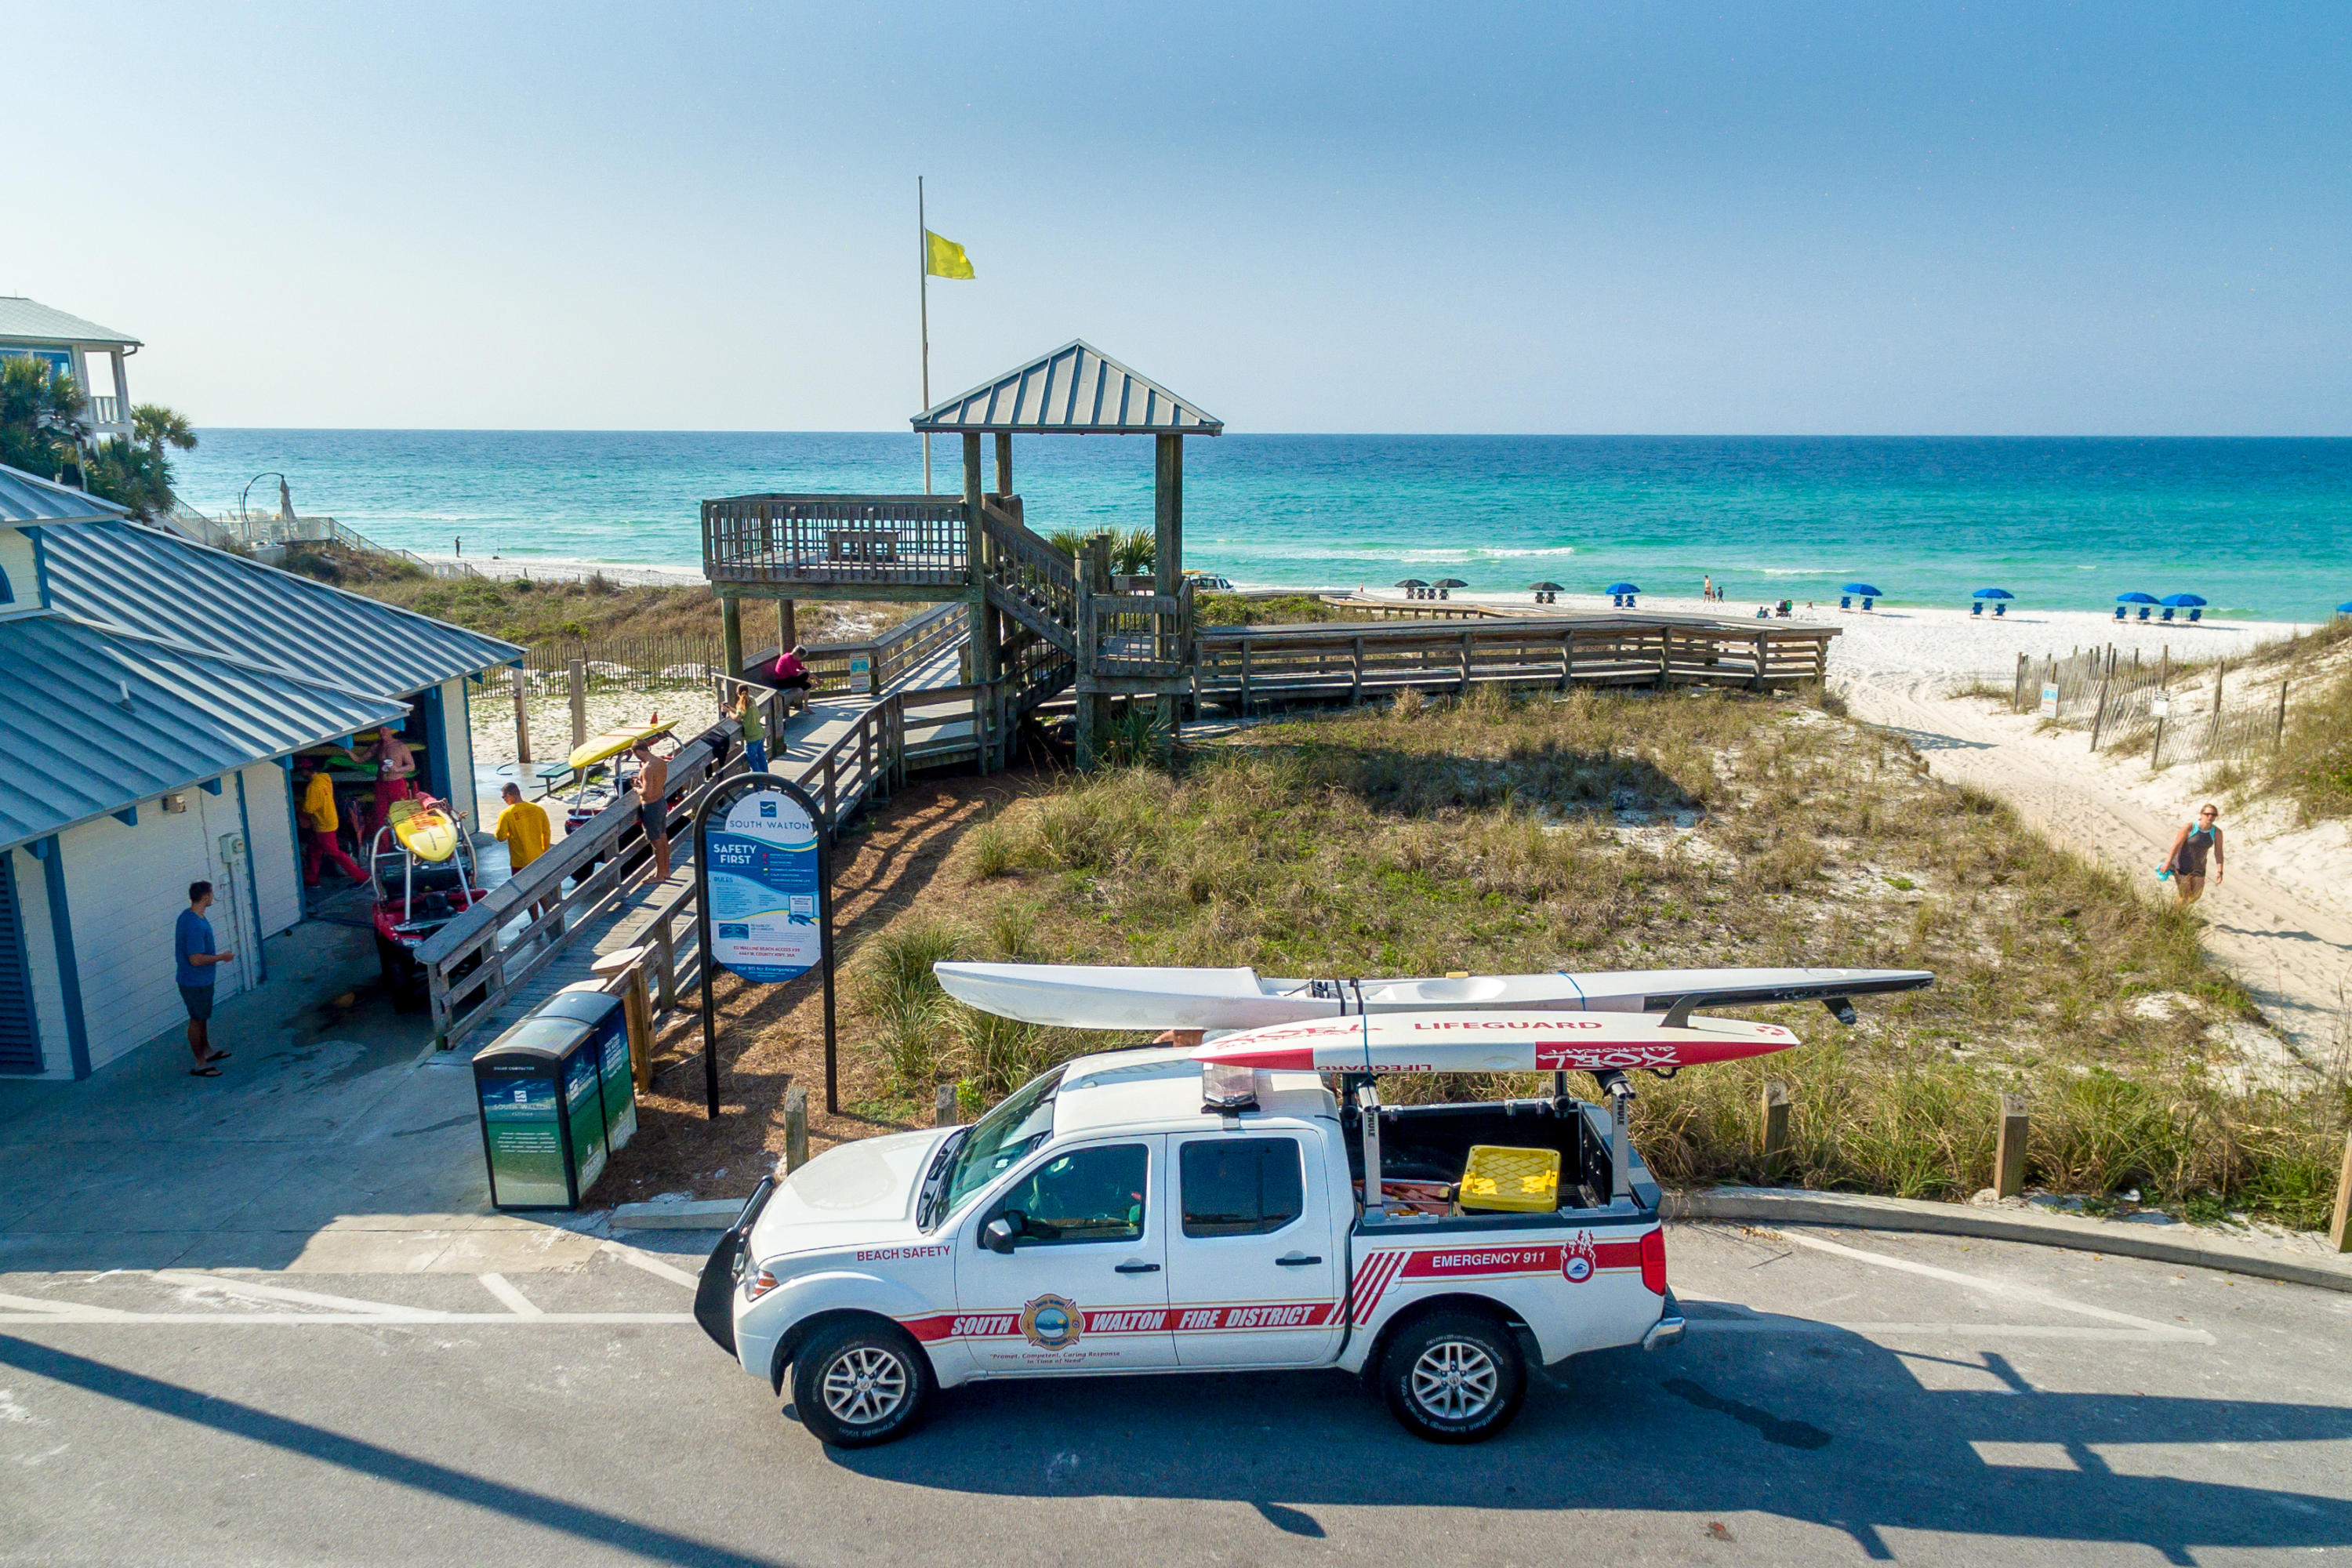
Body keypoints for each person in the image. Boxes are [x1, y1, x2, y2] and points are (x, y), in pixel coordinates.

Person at [176, 881, 234, 1076]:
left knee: (202, 1017)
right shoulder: (195, 926)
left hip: (199, 981)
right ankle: (200, 1063)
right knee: (197, 1020)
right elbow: (196, 959)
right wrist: (221, 957)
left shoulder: (189, 916)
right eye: (211, 894)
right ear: (206, 897)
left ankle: (207, 1050)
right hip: (195, 982)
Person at [295, 757, 366, 888]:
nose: (300, 773)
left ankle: (361, 877)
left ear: (306, 771)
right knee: (314, 850)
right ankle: (311, 879)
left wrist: (298, 808)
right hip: (330, 820)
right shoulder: (324, 778)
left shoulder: (313, 787)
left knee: (334, 853)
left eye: (301, 770)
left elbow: (308, 810)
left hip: (323, 826)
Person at [494, 782, 557, 921]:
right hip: (538, 857)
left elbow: (500, 837)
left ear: (510, 795)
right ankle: (549, 916)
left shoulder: (507, 814)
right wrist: (544, 851)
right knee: (541, 889)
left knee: (527, 893)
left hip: (520, 861)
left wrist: (510, 832)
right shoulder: (538, 809)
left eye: (504, 797)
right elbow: (546, 833)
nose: (504, 800)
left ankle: (535, 922)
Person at [361, 727, 417, 840]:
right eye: (379, 730)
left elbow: (411, 766)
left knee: (400, 814)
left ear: (390, 730)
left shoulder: (400, 746)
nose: (381, 733)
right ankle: (383, 846)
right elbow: (360, 760)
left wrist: (397, 769)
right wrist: (348, 752)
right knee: (380, 815)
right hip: (381, 784)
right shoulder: (377, 746)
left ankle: (404, 842)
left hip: (397, 783)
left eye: (384, 730)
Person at [2162, 804, 2224, 906]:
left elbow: (2218, 852)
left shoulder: (2217, 832)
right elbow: (2176, 846)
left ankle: (2177, 911)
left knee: (2196, 896)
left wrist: (2220, 871)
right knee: (2184, 896)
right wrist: (2167, 863)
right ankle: (2174, 917)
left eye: (2213, 815)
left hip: (2199, 867)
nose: (2210, 817)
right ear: (2201, 814)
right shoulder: (2190, 828)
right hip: (2181, 865)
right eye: (2207, 814)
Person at [630, 737, 672, 880]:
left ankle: (660, 874)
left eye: (635, 754)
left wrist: (636, 790)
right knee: (663, 837)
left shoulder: (647, 768)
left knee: (656, 842)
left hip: (651, 806)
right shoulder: (660, 762)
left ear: (638, 751)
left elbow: (647, 792)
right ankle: (666, 871)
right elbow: (656, 784)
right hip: (661, 802)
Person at [734, 685, 768, 773]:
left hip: (751, 737)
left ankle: (759, 783)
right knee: (761, 758)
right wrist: (731, 708)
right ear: (748, 691)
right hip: (759, 733)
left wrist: (728, 712)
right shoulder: (752, 700)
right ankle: (767, 779)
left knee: (752, 760)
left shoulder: (742, 704)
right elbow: (744, 712)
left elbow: (737, 718)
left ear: (737, 693)